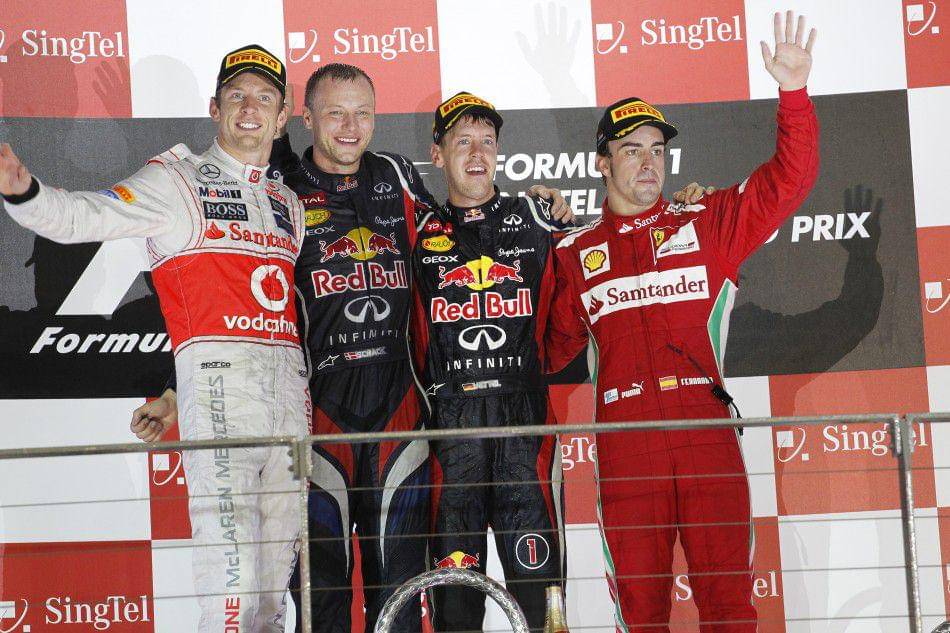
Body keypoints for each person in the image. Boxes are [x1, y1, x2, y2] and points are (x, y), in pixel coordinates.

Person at [133, 65, 574, 633]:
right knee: (323, 602)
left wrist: (539, 212)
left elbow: (466, 234)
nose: (349, 127)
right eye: (335, 113)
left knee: (402, 598)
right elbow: (225, 299)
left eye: (362, 113)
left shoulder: (398, 176)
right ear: (304, 118)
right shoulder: (280, 190)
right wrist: (173, 389)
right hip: (319, 420)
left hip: (400, 418)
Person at [3, 45, 309, 633]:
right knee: (230, 587)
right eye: (237, 96)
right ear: (215, 109)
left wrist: (168, 394)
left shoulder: (288, 203)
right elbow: (85, 215)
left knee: (274, 595)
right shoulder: (176, 179)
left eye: (264, 98)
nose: (250, 109)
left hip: (292, 399)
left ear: (281, 117)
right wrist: (26, 194)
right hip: (220, 395)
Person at [544, 11, 819, 633]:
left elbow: (790, 180)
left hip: (705, 432)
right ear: (601, 163)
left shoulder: (707, 223)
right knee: (641, 616)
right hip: (626, 443)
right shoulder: (572, 252)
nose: (648, 163)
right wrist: (532, 240)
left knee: (731, 610)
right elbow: (549, 349)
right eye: (631, 150)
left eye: (657, 150)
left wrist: (794, 93)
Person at [411, 91, 569, 632]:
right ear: (437, 154)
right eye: (463, 142)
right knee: (455, 608)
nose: (477, 153)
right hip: (452, 435)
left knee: (543, 604)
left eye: (487, 141)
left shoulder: (540, 218)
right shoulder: (416, 232)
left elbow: (579, 304)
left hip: (525, 430)